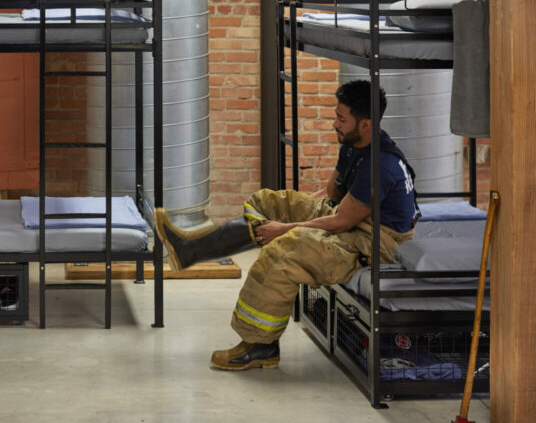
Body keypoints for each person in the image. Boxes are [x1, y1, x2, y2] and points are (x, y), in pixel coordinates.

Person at [155, 80, 417, 371]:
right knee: (266, 203)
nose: (334, 124)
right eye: (336, 115)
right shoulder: (355, 144)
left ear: (366, 124)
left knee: (284, 251)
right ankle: (189, 250)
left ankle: (261, 346)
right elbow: (330, 195)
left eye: (341, 119)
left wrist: (287, 230)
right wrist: (291, 217)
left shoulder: (379, 167)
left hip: (375, 242)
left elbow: (342, 222)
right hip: (351, 218)